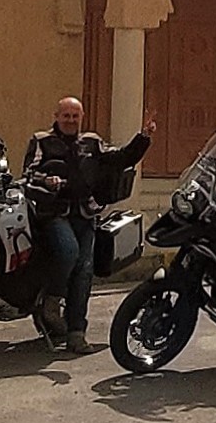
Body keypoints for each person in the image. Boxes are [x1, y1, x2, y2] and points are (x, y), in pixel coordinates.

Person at [23, 96, 155, 354]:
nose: (71, 120)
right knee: (69, 251)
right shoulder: (42, 140)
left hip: (85, 213)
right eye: (66, 115)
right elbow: (29, 172)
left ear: (82, 117)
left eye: (75, 116)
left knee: (84, 272)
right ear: (56, 116)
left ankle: (76, 334)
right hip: (53, 212)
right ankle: (52, 299)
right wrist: (46, 180)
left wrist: (143, 137)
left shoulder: (92, 142)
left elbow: (121, 158)